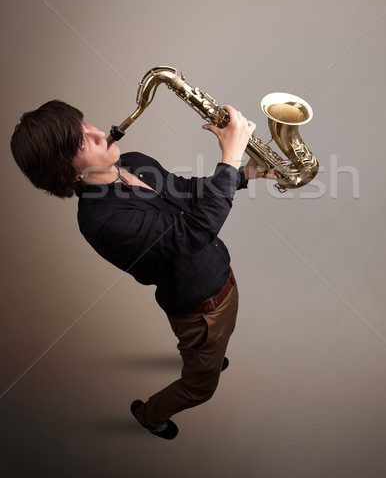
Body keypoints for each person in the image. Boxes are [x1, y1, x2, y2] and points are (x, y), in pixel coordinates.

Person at [10, 99, 275, 440]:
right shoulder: (104, 221)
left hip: (220, 277)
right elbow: (193, 233)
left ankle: (206, 356)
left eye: (86, 123)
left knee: (215, 345)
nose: (95, 131)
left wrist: (242, 175)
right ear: (69, 173)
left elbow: (186, 193)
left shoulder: (132, 162)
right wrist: (229, 157)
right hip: (201, 311)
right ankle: (150, 415)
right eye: (80, 141)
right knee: (200, 388)